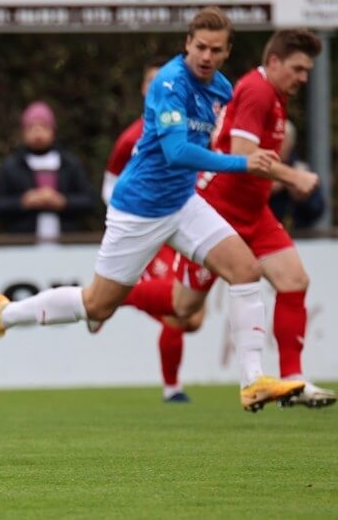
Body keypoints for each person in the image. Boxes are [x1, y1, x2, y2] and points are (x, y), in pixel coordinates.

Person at [0, 7, 302, 413]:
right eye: (200, 47)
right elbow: (177, 152)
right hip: (139, 209)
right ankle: (3, 315)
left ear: (227, 51)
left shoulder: (221, 89)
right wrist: (243, 163)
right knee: (96, 305)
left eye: (215, 49)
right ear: (187, 44)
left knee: (245, 271)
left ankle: (252, 382)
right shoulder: (169, 83)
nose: (206, 56)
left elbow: (224, 137)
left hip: (182, 203)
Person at [129, 30, 334, 408]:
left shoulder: (272, 93)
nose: (304, 77)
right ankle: (118, 292)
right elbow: (243, 153)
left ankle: (293, 380)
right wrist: (293, 177)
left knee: (294, 280)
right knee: (184, 309)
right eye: (298, 69)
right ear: (274, 62)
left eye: (307, 70)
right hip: (219, 209)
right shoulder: (257, 91)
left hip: (254, 213)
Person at [101, 57, 203, 403]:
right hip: (147, 225)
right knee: (177, 311)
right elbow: (110, 184)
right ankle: (172, 388)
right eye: (152, 82)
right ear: (146, 90)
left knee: (194, 317)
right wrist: (131, 213)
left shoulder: (194, 127)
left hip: (183, 222)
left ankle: (117, 296)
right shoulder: (132, 136)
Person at [0, 101, 94, 242]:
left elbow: (89, 200)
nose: (38, 133)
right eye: (32, 128)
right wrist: (24, 202)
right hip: (22, 244)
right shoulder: (11, 165)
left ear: (53, 131)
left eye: (43, 127)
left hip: (66, 243)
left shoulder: (69, 164)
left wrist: (63, 202)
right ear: (23, 132)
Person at [269, 120, 325, 230]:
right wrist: (267, 189)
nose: (277, 145)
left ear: (291, 143)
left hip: (299, 234)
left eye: (281, 140)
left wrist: (303, 198)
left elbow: (317, 209)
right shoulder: (259, 167)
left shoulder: (302, 169)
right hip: (265, 233)